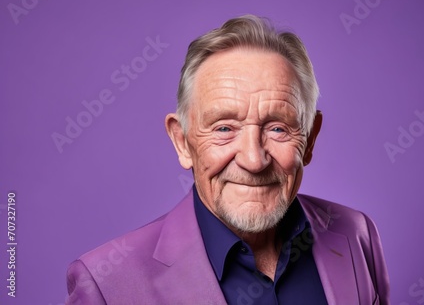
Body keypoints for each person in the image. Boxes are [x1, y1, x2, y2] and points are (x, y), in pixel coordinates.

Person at [66, 15, 390, 304]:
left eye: (277, 128)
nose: (253, 160)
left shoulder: (356, 235)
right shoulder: (107, 286)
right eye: (224, 128)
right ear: (182, 142)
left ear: (309, 138)